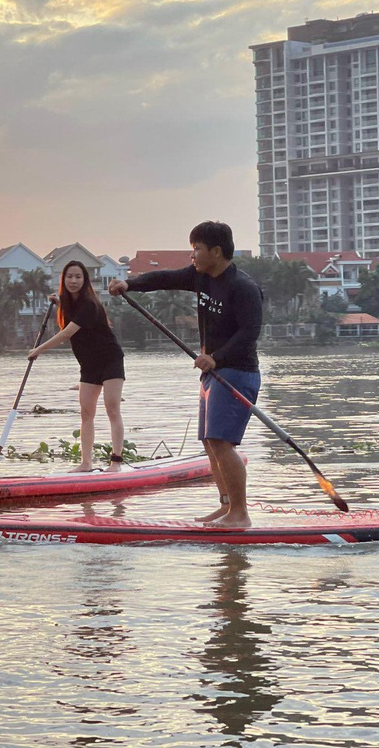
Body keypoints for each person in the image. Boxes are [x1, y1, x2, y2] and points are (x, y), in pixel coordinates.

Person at [108, 221, 262, 528]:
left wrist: (215, 357)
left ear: (216, 252)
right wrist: (130, 284)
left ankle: (241, 514)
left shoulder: (242, 287)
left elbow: (250, 332)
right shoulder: (200, 277)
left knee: (221, 442)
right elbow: (164, 278)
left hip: (237, 373)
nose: (192, 255)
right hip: (212, 373)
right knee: (209, 442)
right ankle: (226, 506)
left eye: (197, 249)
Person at [28, 260, 126, 473]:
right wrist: (58, 302)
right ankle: (86, 463)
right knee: (86, 413)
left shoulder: (89, 304)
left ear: (85, 280)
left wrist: (38, 350)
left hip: (110, 359)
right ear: (63, 279)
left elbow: (65, 334)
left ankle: (116, 462)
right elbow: (68, 309)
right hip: (89, 364)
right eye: (69, 277)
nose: (73, 281)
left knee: (112, 409)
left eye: (78, 277)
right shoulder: (69, 303)